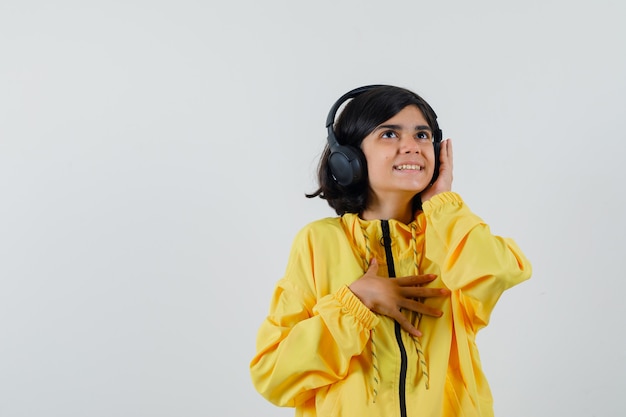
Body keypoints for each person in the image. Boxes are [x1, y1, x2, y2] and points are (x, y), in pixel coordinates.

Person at [249, 85, 532, 417]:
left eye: (423, 135)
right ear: (349, 158)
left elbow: (498, 272)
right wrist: (355, 303)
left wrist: (443, 205)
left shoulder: (450, 234)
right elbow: (273, 375)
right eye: (389, 134)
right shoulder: (318, 243)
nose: (412, 146)